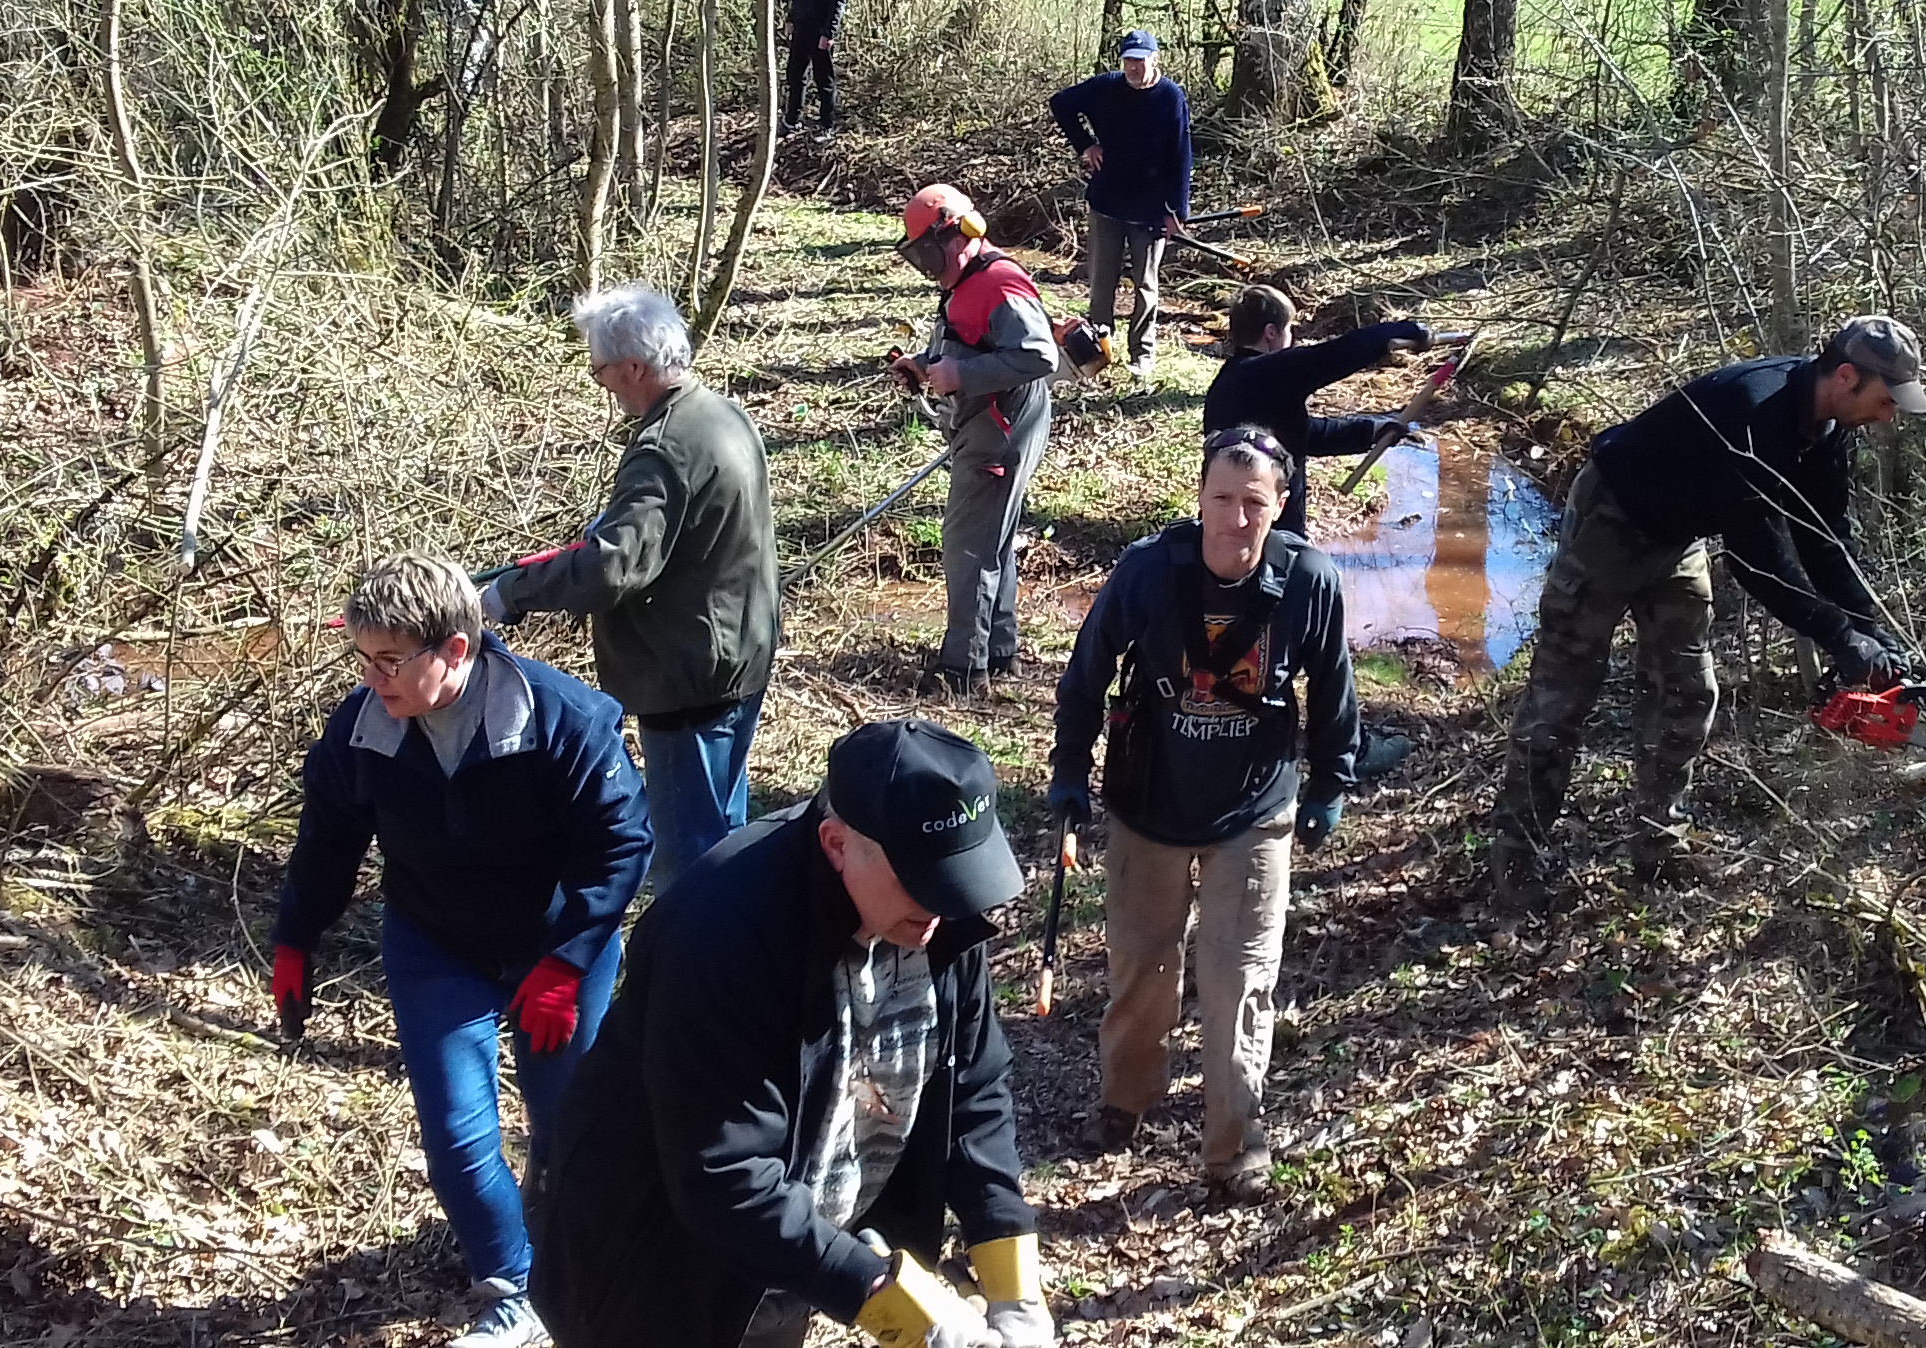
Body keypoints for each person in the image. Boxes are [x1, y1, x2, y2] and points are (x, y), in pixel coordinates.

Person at [532, 719, 1052, 1348]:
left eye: (959, 877)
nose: (944, 906)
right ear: (836, 844)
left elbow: (973, 1085)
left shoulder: (936, 911)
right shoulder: (722, 936)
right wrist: (904, 1312)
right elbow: (723, 1171)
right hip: (660, 1265)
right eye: (922, 881)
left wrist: (1013, 1283)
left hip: (789, 1260)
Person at [271, 555, 653, 1348]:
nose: (374, 680)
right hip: (435, 942)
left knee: (566, 1118)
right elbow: (327, 843)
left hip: (555, 947)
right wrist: (295, 940)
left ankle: (580, 1250)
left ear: (454, 649)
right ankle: (513, 1287)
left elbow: (622, 845)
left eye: (390, 661)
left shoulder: (563, 722)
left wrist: (570, 957)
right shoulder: (360, 731)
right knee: (455, 1127)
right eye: (362, 659)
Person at [1485, 315, 1926, 912]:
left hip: (1681, 533)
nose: (1888, 417)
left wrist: (1872, 633)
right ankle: (1517, 855)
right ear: (1847, 376)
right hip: (1613, 521)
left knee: (1688, 689)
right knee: (1564, 692)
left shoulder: (1829, 425)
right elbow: (1755, 559)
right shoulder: (1754, 412)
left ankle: (1659, 843)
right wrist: (1836, 635)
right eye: (1884, 401)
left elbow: (1826, 538)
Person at [1047, 426, 1359, 1201]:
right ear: (1200, 498)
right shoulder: (1148, 571)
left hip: (1255, 809)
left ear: (1280, 505)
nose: (1236, 520)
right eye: (1222, 499)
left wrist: (1330, 784)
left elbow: (1334, 688)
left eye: (1255, 503)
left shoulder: (1311, 580)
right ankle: (1124, 1103)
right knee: (1142, 971)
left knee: (1239, 982)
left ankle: (1234, 1149)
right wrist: (1067, 776)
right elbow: (1085, 678)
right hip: (1147, 800)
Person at [484, 285, 779, 895]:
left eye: (600, 370)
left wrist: (506, 593)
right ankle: (737, 949)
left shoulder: (664, 449)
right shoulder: (723, 414)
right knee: (726, 834)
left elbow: (611, 569)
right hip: (740, 652)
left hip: (688, 675)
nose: (600, 384)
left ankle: (698, 979)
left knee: (689, 863)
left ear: (635, 367)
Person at [889, 183, 1058, 694]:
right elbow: (966, 342)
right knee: (993, 542)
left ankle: (963, 668)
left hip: (1002, 426)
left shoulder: (1000, 283)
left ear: (959, 234)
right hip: (991, 422)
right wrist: (924, 364)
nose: (926, 264)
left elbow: (1039, 356)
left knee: (969, 546)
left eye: (928, 252)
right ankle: (998, 650)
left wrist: (961, 377)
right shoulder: (965, 282)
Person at [1200, 284, 1436, 540]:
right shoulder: (1270, 372)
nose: (1292, 338)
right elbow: (1338, 354)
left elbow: (1301, 435)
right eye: (1289, 329)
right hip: (1267, 532)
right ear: (1271, 332)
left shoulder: (1230, 381)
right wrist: (1408, 329)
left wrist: (1370, 431)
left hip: (1225, 528)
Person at [1047, 29, 1192, 382]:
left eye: (1139, 61)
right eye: (1128, 60)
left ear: (1154, 60)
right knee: (1101, 280)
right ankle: (1097, 348)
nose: (1133, 67)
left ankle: (1142, 354)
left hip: (1150, 210)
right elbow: (1061, 103)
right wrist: (1085, 145)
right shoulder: (1107, 86)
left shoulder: (1170, 97)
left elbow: (1182, 155)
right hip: (1107, 203)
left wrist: (1177, 211)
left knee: (1145, 284)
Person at [781, 0, 848, 133]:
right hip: (801, 24)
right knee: (795, 73)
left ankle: (827, 124)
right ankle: (792, 120)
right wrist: (791, 18)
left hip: (819, 29)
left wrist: (828, 33)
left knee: (823, 78)